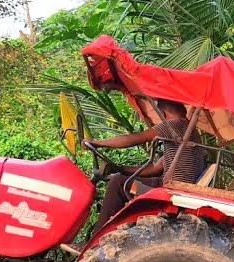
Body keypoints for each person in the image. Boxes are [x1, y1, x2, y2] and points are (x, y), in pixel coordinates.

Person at [87, 98, 208, 233]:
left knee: (118, 183)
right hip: (172, 184)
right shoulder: (189, 134)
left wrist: (97, 143)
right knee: (120, 178)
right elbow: (155, 168)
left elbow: (132, 140)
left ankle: (97, 236)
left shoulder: (174, 125)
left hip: (170, 187)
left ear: (163, 113)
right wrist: (120, 168)